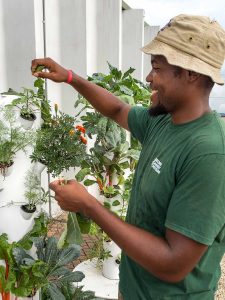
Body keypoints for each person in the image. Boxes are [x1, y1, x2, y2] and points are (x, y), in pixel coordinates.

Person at [31, 14, 225, 300]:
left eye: (157, 68)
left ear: (190, 74)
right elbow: (118, 110)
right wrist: (70, 78)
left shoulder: (208, 154)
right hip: (134, 287)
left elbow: (174, 264)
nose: (149, 78)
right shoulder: (164, 120)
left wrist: (90, 206)